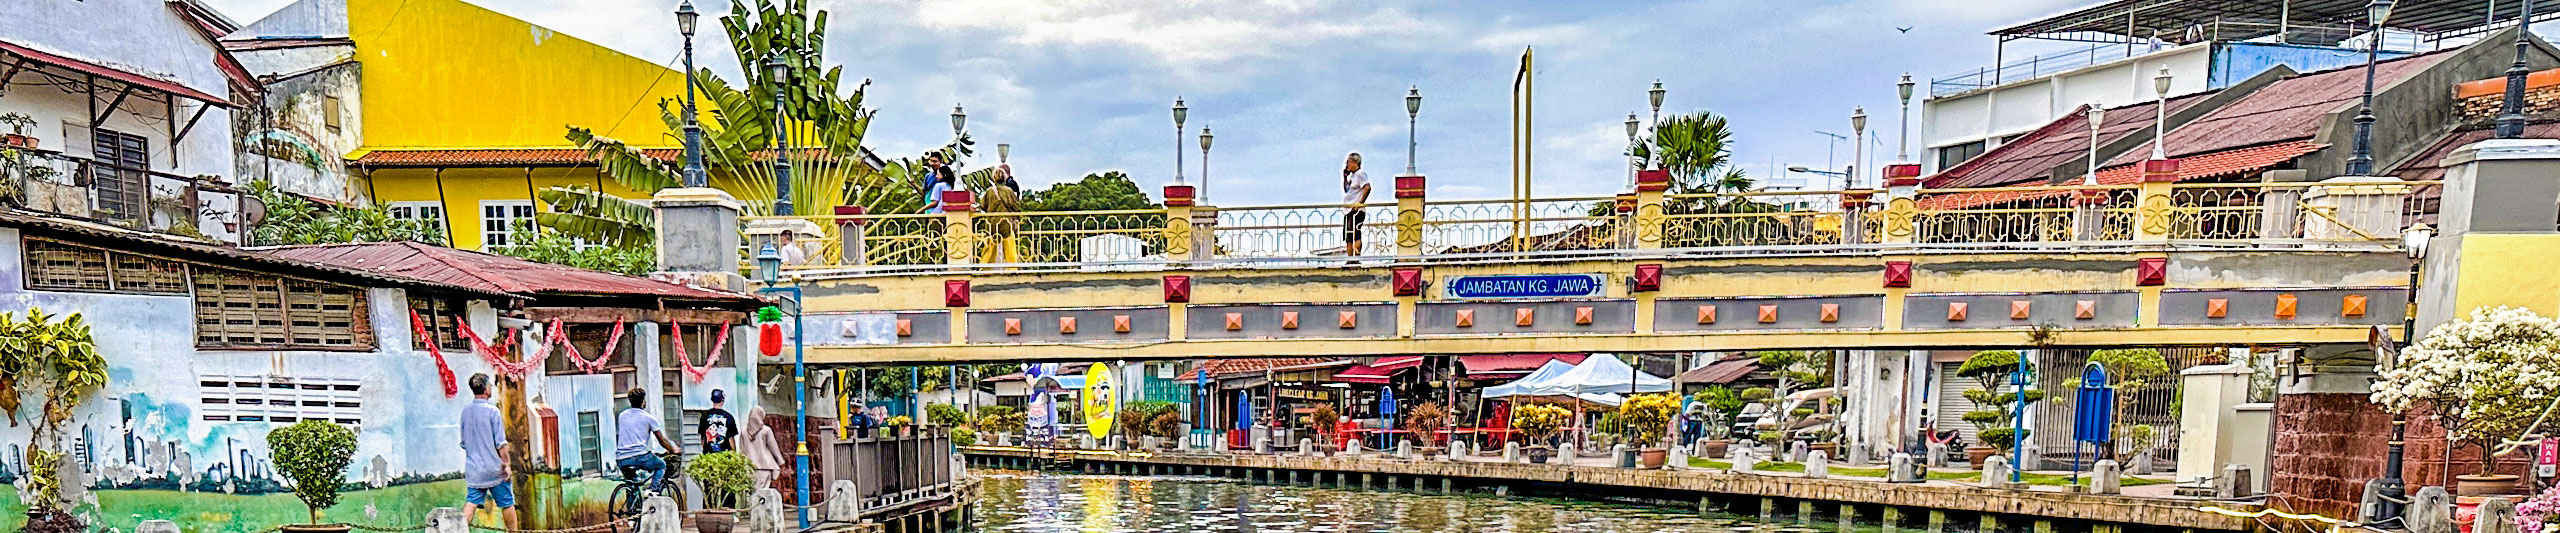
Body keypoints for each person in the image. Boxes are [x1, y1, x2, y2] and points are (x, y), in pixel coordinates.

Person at [459, 374, 519, 530]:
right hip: (494, 469)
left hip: (474, 470)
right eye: (490, 386)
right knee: (507, 503)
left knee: (471, 502)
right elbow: (501, 444)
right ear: (485, 389)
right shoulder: (493, 411)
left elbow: (464, 443)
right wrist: (506, 464)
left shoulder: (465, 412)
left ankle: (457, 530)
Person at [615, 388, 680, 509]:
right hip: (639, 456)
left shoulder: (622, 416)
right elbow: (661, 440)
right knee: (661, 465)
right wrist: (673, 449)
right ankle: (652, 489)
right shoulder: (648, 418)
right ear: (643, 402)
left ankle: (632, 517)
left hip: (621, 458)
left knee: (632, 484)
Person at [740, 406, 784, 492]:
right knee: (763, 493)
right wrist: (780, 461)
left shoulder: (743, 431)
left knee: (751, 492)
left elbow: (742, 450)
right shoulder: (766, 430)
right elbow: (773, 447)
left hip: (749, 466)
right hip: (764, 466)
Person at [1341, 152, 1371, 257]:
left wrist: (1360, 203)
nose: (1347, 164)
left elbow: (1367, 187)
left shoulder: (1360, 174)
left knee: (1355, 235)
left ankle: (1356, 259)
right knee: (1348, 237)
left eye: (1348, 162)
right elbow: (1346, 189)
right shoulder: (1353, 177)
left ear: (1355, 163)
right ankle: (1350, 260)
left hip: (1356, 210)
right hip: (1348, 210)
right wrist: (1345, 177)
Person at [701, 389, 738, 454]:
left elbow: (703, 439)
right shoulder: (728, 417)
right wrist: (734, 454)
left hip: (708, 456)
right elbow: (731, 439)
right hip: (724, 456)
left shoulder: (705, 416)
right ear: (722, 400)